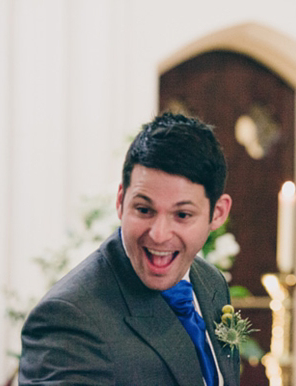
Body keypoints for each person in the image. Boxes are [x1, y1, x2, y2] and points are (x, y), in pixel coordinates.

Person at [19, 112, 240, 385]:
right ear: (121, 201)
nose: (159, 235)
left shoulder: (211, 282)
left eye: (182, 215)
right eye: (144, 209)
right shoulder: (69, 319)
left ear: (217, 213)